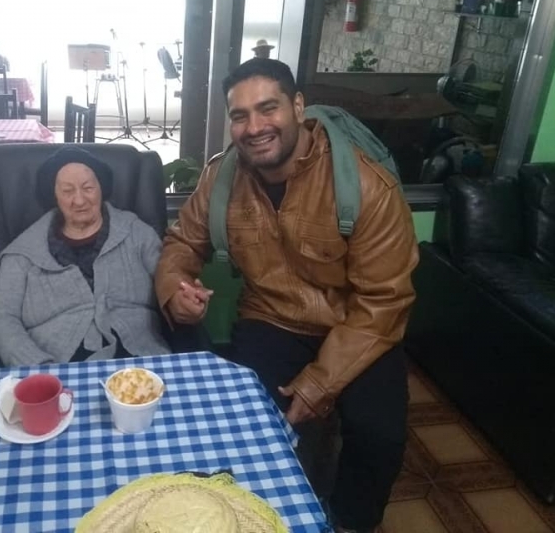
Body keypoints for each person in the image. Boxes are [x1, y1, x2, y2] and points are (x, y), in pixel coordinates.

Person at [154, 58, 418, 533]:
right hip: (271, 319)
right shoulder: (221, 178)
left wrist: (320, 382)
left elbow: (384, 301)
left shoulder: (367, 186)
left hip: (359, 326)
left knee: (379, 436)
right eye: (240, 115)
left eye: (268, 108)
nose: (254, 127)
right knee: (247, 422)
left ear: (297, 107)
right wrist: (175, 288)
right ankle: (259, 518)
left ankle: (349, 523)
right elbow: (182, 243)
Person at [0, 147, 171, 366]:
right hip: (56, 365)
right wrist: (38, 367)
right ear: (54, 196)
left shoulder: (137, 233)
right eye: (67, 191)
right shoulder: (22, 252)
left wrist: (182, 295)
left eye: (88, 188)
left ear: (101, 189)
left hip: (140, 359)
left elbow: (168, 282)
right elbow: (3, 318)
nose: (79, 200)